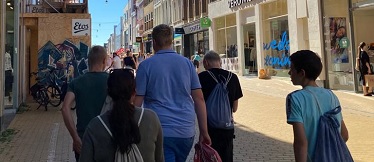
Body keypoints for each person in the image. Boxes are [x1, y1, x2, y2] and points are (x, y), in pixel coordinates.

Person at [134, 24, 211, 162]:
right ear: (170, 41)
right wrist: (204, 131)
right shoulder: (187, 64)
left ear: (154, 42)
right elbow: (199, 99)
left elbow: (138, 101)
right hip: (185, 130)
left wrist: (131, 126)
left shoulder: (146, 66)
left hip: (158, 129)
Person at [79, 69, 164, 162]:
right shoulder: (151, 119)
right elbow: (159, 158)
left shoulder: (95, 126)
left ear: (108, 93)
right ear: (134, 92)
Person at [286, 50, 349, 162]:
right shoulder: (331, 95)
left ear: (302, 73)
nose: (289, 72)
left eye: (292, 69)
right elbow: (344, 134)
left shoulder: (295, 98)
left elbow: (301, 142)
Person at [62, 46, 109, 161]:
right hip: (108, 139)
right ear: (104, 61)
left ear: (89, 61)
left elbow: (65, 108)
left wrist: (75, 137)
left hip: (84, 140)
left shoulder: (76, 82)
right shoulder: (112, 80)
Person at [198, 51, 243, 162]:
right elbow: (235, 108)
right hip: (227, 128)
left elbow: (198, 103)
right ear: (220, 62)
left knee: (209, 157)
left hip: (209, 128)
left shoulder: (202, 77)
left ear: (206, 62)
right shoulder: (233, 77)